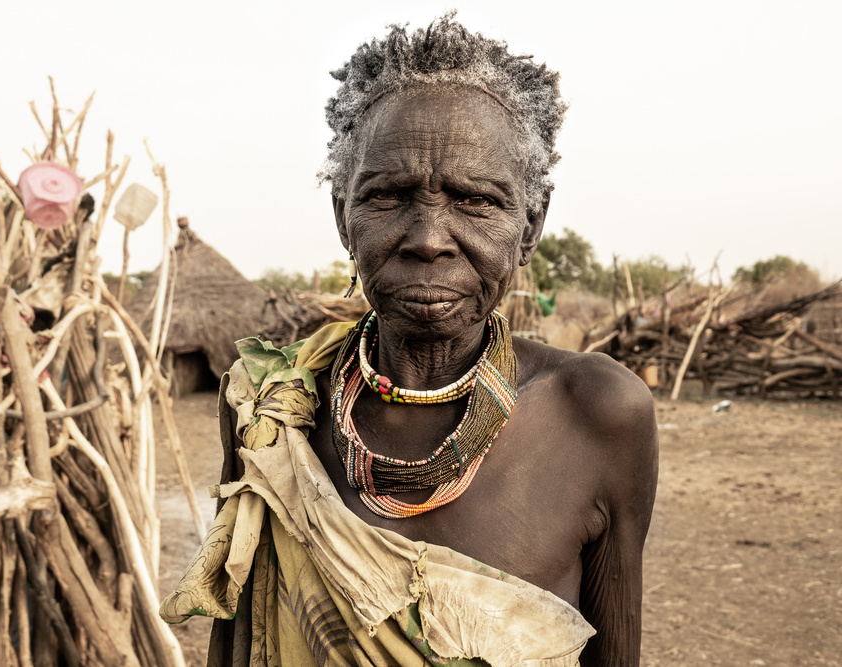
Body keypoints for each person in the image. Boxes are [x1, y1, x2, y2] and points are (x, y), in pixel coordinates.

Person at [162, 14, 658, 667]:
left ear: (531, 222)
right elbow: (240, 638)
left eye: (475, 200)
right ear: (343, 213)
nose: (428, 237)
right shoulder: (268, 410)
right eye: (389, 196)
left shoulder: (598, 414)